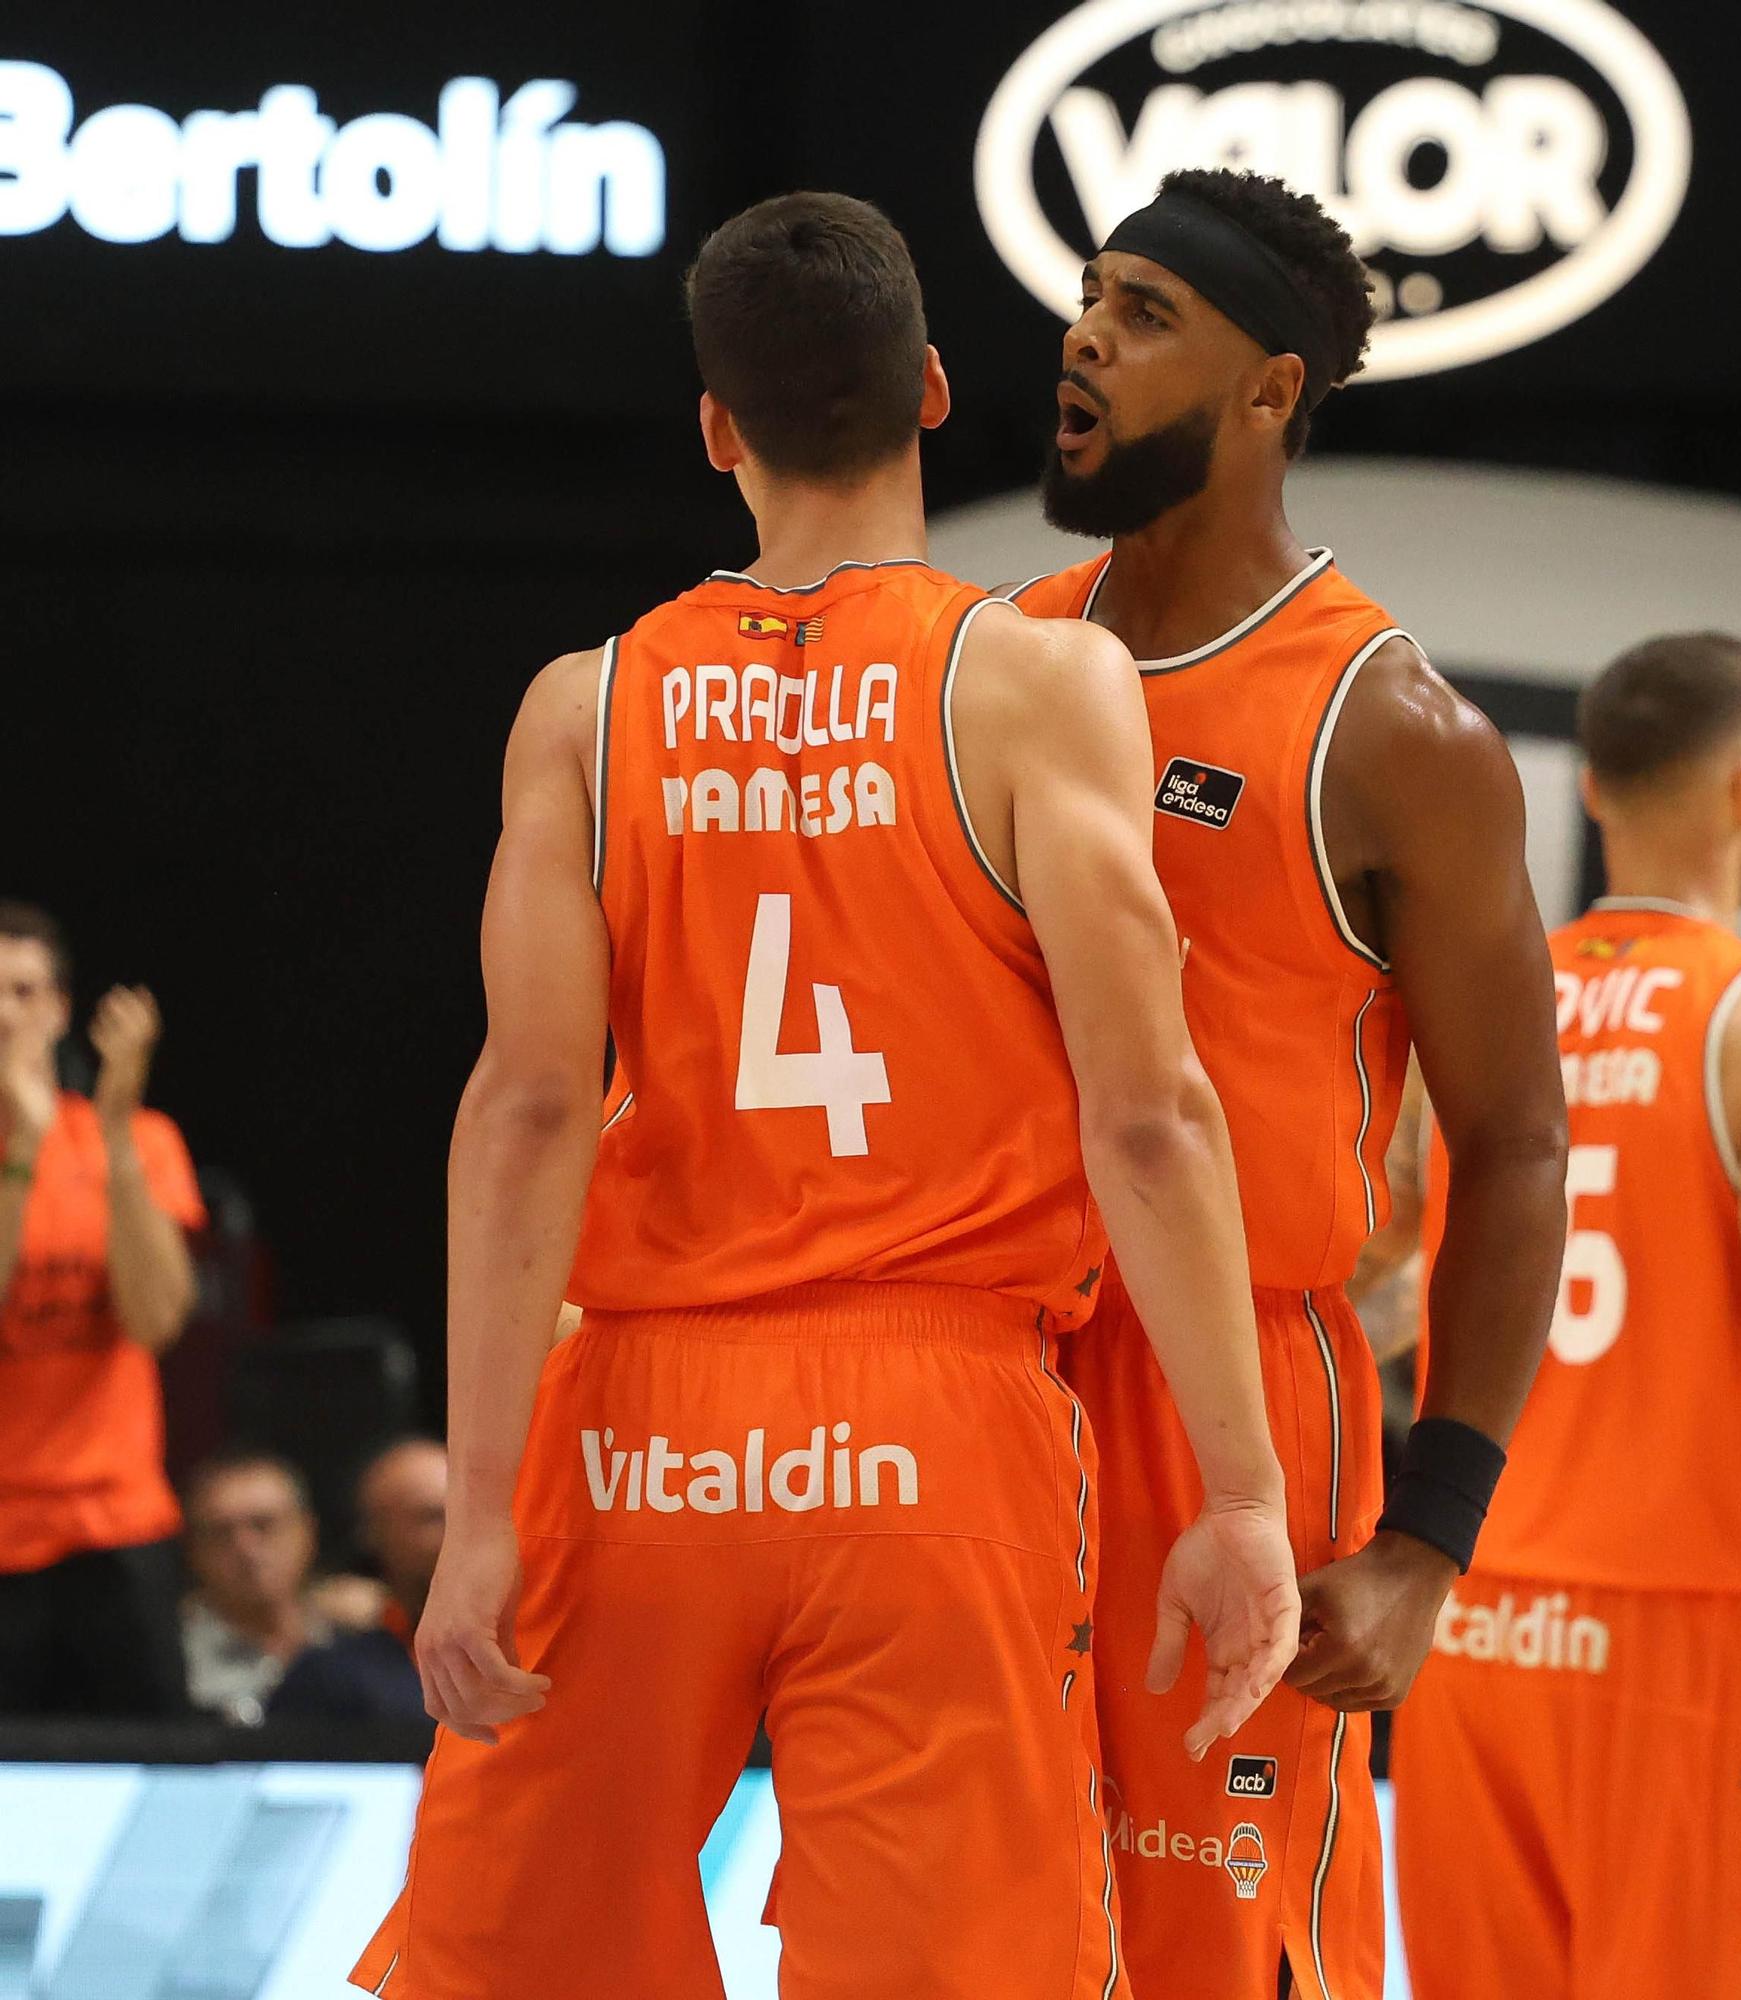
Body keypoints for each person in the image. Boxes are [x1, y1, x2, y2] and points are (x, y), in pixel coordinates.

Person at [352, 190, 1299, 2000]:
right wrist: (1239, 1493)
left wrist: (479, 1516)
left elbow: (527, 1115)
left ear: (716, 431)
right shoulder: (1034, 684)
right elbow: (1152, 1114)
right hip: (934, 1428)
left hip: (637, 1427)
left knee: (516, 1969)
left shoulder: (587, 706)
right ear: (937, 391)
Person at [1004, 168, 1567, 1999]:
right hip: (982, 1376)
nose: (1083, 332)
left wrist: (1430, 1538)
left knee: (1210, 1951)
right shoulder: (997, 658)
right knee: (961, 1937)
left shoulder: (1392, 731)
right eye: (1088, 293)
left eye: (1147, 310)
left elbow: (1515, 1141)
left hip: (1230, 1400)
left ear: (1272, 389)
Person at [1389, 634, 1741, 2000]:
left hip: (1464, 1615)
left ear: (1590, 792)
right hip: (1673, 1634)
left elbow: (1379, 1281)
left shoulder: (1479, 1012)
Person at [0, 900, 203, 1716]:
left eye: (21, 992)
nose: (3, 1014)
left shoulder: (142, 1139)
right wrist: (22, 1149)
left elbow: (156, 1319)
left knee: (154, 1788)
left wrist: (112, 1132)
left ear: (57, 1009)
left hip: (118, 1530)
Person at [269, 1437, 444, 1725]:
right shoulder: (328, 1675)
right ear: (374, 1533)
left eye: (462, 1515)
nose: (457, 1535)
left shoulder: (528, 1642)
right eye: (432, 1517)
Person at [182, 1451, 332, 1723]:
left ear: (308, 1532)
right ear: (193, 1551)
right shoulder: (171, 1656)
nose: (245, 1549)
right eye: (220, 1532)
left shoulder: (354, 1636)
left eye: (264, 1525)